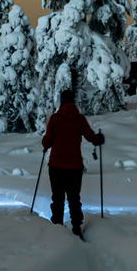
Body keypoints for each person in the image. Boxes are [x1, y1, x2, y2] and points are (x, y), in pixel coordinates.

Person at [41, 88, 105, 237]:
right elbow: (91, 138)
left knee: (57, 197)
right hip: (75, 167)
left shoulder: (55, 119)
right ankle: (76, 227)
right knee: (74, 198)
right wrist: (99, 138)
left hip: (56, 166)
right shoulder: (79, 119)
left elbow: (47, 141)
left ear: (61, 102)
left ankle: (57, 227)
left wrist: (45, 142)